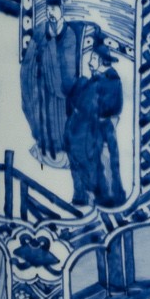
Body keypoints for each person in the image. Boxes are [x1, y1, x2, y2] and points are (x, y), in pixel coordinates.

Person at [20, 0, 83, 164]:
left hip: (59, 87)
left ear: (62, 9)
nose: (50, 13)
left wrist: (52, 48)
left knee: (60, 118)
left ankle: (60, 150)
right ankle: (43, 145)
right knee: (40, 110)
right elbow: (29, 60)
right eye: (48, 9)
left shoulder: (69, 35)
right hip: (40, 86)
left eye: (54, 9)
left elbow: (69, 70)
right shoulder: (41, 30)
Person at [64, 42, 126, 210]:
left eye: (93, 58)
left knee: (101, 163)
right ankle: (83, 197)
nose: (90, 62)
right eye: (91, 58)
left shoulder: (111, 82)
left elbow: (107, 108)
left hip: (101, 131)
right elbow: (76, 102)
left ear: (102, 61)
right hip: (86, 130)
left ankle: (105, 199)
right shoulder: (91, 81)